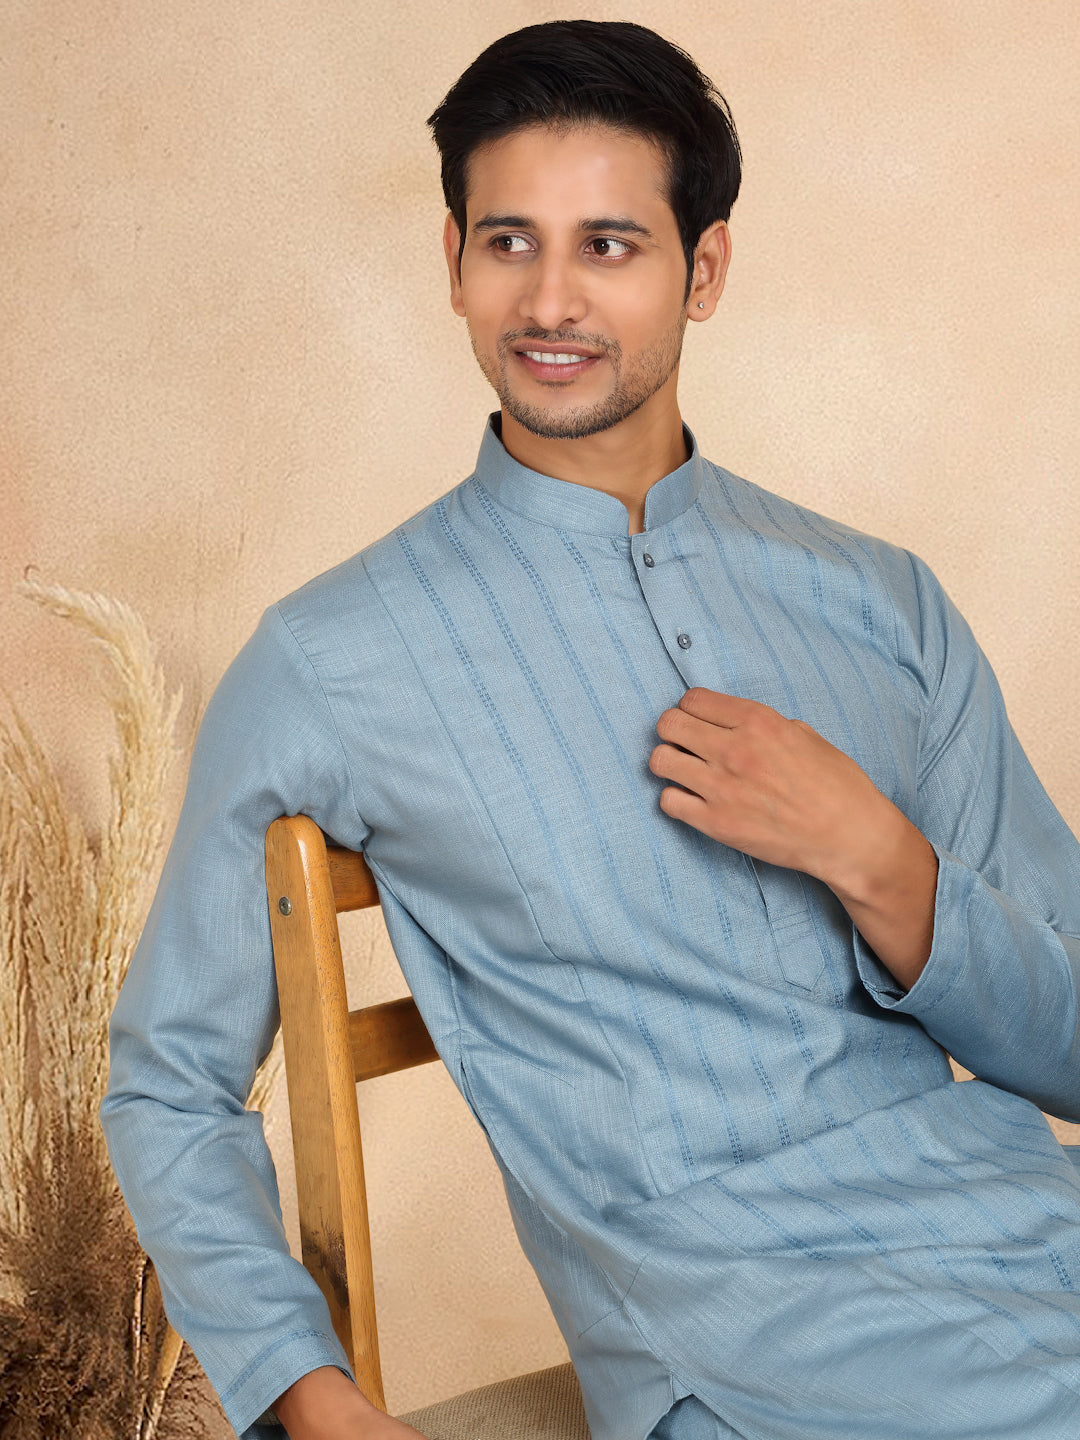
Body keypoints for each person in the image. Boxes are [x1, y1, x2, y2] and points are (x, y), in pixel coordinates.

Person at [100, 19, 1080, 1440]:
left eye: (609, 245)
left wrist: (886, 866)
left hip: (1031, 1228)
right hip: (751, 1350)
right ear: (454, 261)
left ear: (705, 270)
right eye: (510, 242)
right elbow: (167, 1084)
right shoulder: (331, 659)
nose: (550, 300)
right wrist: (316, 1404)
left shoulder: (882, 602)